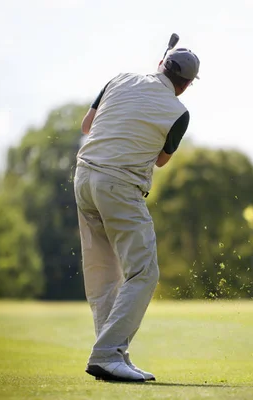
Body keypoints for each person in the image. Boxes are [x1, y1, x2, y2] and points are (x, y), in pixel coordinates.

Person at [73, 47, 200, 382]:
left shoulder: (120, 78)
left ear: (161, 64)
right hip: (119, 186)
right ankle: (107, 353)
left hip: (83, 179)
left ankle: (113, 356)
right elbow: (160, 160)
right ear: (187, 84)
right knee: (143, 272)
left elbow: (87, 125)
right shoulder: (179, 112)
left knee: (104, 274)